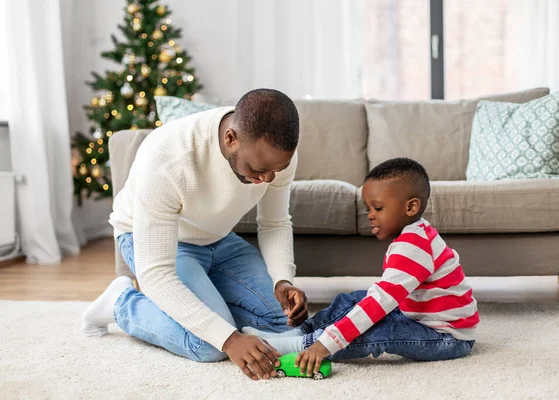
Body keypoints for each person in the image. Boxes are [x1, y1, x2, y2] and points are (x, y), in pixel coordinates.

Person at [82, 88, 309, 381]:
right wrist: (229, 339)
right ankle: (121, 302)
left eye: (275, 170)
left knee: (282, 325)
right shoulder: (167, 158)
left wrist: (282, 279)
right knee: (208, 344)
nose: (266, 179)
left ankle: (206, 307)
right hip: (159, 242)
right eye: (258, 168)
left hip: (218, 240)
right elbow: (157, 274)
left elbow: (275, 222)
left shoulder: (276, 156)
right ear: (230, 139)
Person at [243, 158, 479, 376]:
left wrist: (326, 345)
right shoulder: (411, 236)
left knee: (383, 327)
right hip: (417, 315)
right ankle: (300, 333)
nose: (370, 216)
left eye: (378, 208)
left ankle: (301, 344)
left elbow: (379, 304)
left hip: (448, 337)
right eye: (369, 209)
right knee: (355, 300)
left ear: (411, 207)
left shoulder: (415, 246)